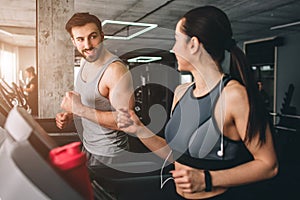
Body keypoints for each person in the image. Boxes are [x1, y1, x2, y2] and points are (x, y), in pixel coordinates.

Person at [117, 6, 278, 200]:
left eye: (176, 40)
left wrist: (207, 179)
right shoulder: (181, 92)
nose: (173, 48)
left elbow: (269, 165)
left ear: (193, 44)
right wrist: (139, 129)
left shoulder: (233, 96)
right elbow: (176, 153)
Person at [55, 12, 134, 166]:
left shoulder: (115, 71)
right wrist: (70, 114)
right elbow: (89, 104)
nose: (88, 45)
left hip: (110, 154)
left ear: (102, 36)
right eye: (80, 39)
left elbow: (127, 122)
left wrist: (78, 109)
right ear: (73, 41)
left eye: (93, 36)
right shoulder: (86, 61)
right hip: (89, 146)